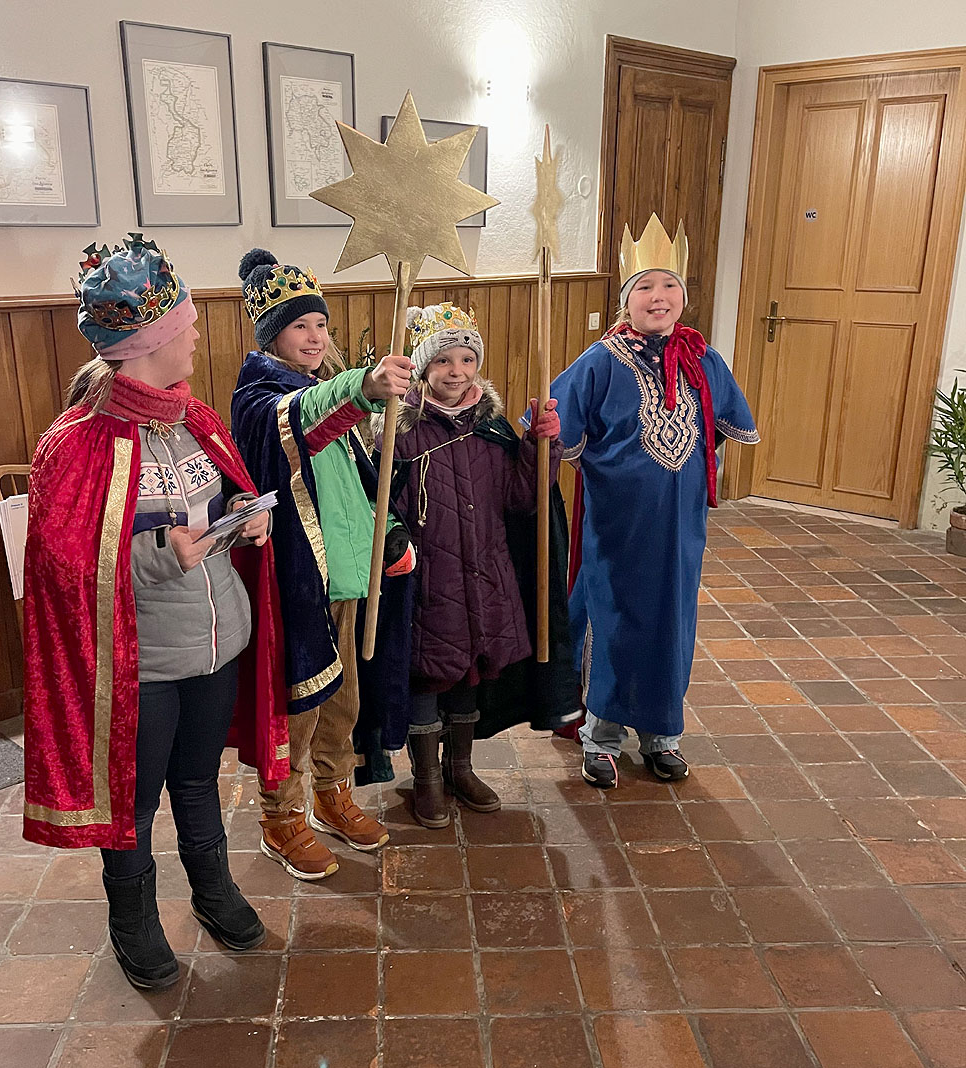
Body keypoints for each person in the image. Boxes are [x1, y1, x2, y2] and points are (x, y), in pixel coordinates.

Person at [22, 235, 288, 990]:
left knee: (198, 782)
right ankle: (133, 920)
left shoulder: (194, 417)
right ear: (152, 341)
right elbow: (64, 568)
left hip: (216, 644)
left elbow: (224, 495)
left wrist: (247, 516)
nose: (198, 335)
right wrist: (159, 554)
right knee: (134, 804)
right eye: (189, 325)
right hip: (142, 664)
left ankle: (213, 891)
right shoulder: (76, 443)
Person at [549, 214, 759, 789]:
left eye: (669, 285)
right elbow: (557, 430)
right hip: (618, 528)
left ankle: (662, 735)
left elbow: (720, 430)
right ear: (627, 299)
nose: (658, 296)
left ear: (683, 297)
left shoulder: (702, 359)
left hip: (680, 530)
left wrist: (687, 472)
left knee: (673, 623)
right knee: (615, 621)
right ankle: (601, 737)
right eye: (645, 286)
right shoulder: (599, 361)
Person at [230, 248, 415, 880]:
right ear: (270, 334)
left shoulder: (315, 391)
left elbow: (361, 478)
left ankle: (333, 794)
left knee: (344, 698)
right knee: (299, 703)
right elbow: (302, 423)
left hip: (345, 572)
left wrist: (386, 536)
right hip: (298, 576)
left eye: (321, 325)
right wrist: (362, 386)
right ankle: (281, 817)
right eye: (300, 326)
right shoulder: (260, 398)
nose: (315, 337)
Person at [383, 302, 563, 827]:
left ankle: (459, 767)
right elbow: (383, 501)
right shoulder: (400, 429)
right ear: (423, 368)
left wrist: (540, 448)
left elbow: (522, 498)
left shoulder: (492, 428)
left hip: (484, 572)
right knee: (427, 674)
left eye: (466, 360)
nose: (456, 371)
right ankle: (426, 778)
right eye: (442, 361)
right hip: (428, 577)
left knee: (468, 670)